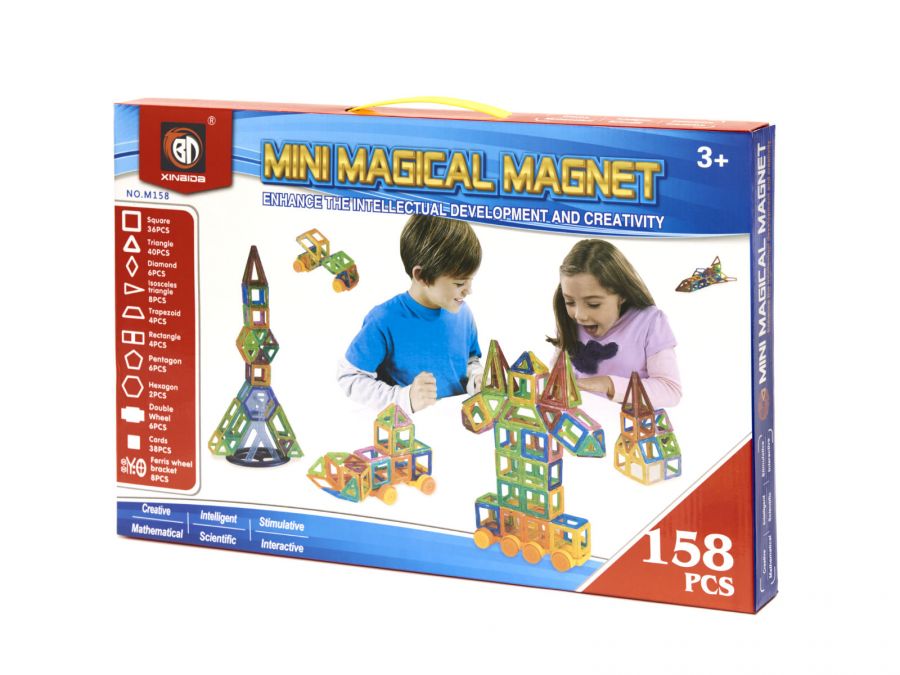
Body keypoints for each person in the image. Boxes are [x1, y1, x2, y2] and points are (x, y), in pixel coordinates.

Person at [337, 215, 483, 412]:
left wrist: (476, 378)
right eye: (459, 283)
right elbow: (349, 377)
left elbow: (470, 359)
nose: (469, 291)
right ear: (421, 275)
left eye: (470, 281)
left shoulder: (464, 314)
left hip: (458, 424)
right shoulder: (383, 320)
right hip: (410, 427)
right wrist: (403, 398)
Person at [548, 239, 681, 407]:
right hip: (583, 418)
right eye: (570, 302)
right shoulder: (569, 322)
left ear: (622, 294)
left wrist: (608, 384)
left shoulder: (650, 323)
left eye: (593, 304)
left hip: (630, 420)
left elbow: (670, 391)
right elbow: (556, 375)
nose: (579, 316)